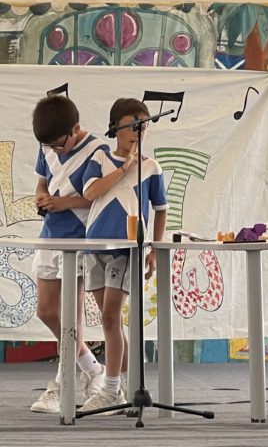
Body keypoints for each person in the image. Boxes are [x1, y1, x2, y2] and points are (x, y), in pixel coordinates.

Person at [78, 98, 168, 413]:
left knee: (110, 317)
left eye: (143, 126)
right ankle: (125, 389)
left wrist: (155, 249)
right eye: (132, 125)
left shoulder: (152, 167)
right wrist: (124, 169)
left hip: (127, 250)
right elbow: (90, 192)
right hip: (95, 247)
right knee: (111, 321)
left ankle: (111, 388)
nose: (137, 132)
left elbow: (161, 209)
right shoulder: (99, 157)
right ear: (116, 127)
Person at [30, 95, 108, 413]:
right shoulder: (49, 144)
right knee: (46, 311)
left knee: (70, 319)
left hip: (79, 240)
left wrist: (64, 203)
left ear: (75, 129)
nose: (55, 150)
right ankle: (92, 368)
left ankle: (61, 387)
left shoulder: (98, 151)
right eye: (49, 146)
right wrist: (41, 197)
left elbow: (98, 196)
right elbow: (42, 183)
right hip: (50, 235)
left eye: (59, 145)